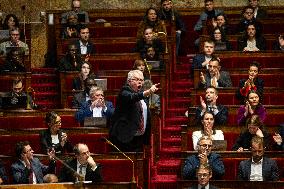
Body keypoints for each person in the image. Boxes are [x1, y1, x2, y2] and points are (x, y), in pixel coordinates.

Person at [109, 70, 159, 152]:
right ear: (129, 81)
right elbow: (132, 97)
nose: (140, 82)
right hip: (125, 139)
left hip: (139, 139)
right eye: (137, 79)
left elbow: (146, 117)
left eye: (141, 80)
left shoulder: (142, 96)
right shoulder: (124, 93)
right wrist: (148, 92)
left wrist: (147, 139)